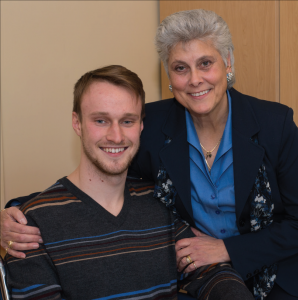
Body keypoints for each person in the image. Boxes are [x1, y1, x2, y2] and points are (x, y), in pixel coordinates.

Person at [1, 8, 298, 299]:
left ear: (228, 62)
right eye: (180, 67)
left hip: (275, 274)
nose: (194, 79)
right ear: (168, 74)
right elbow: (106, 174)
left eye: (206, 63)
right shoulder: (150, 125)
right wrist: (20, 213)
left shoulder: (275, 124)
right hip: (199, 272)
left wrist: (228, 249)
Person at [1, 65, 253, 300]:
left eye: (127, 121)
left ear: (141, 126)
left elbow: (210, 271)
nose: (116, 136)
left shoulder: (160, 201)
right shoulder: (28, 228)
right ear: (77, 123)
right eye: (101, 120)